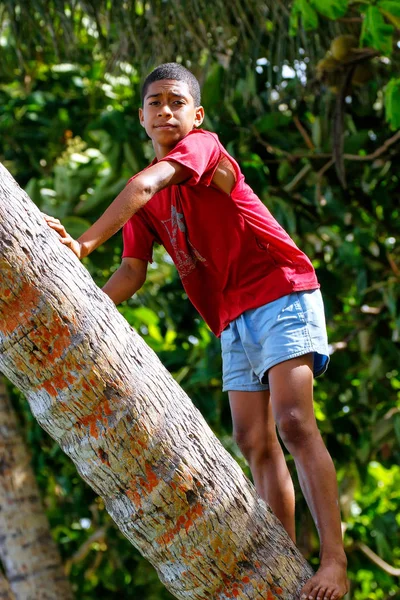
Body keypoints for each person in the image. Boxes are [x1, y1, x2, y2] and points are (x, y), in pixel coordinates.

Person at [45, 62, 348, 600]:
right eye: (155, 102)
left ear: (196, 114)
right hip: (231, 315)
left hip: (280, 290)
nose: (166, 109)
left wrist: (82, 243)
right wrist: (81, 307)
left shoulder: (203, 149)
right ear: (141, 117)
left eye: (176, 101)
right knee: (253, 441)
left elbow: (149, 180)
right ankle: (288, 558)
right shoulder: (145, 200)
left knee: (295, 422)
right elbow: (133, 271)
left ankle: (335, 564)